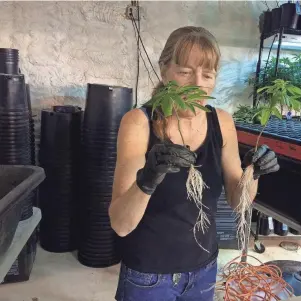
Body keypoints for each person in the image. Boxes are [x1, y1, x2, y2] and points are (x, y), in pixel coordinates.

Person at [109, 26, 280, 301]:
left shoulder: (222, 123)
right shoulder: (138, 123)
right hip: (149, 276)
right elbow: (120, 224)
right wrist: (148, 178)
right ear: (165, 71)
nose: (197, 84)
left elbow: (239, 202)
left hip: (204, 270)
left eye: (207, 74)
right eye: (185, 72)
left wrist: (253, 172)